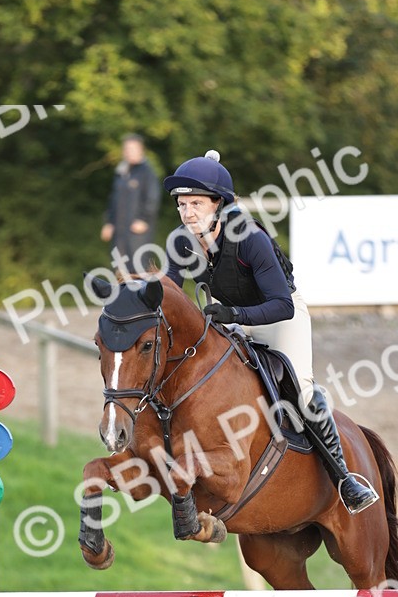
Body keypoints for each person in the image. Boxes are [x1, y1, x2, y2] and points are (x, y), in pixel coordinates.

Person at [162, 150, 379, 514]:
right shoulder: (181, 241)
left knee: (304, 393)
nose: (187, 213)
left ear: (219, 204)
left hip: (280, 319)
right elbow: (168, 294)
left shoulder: (250, 239)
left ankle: (344, 479)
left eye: (196, 203)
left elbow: (283, 304)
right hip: (230, 318)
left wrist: (232, 314)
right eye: (182, 205)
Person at [100, 134, 161, 273]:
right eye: (126, 149)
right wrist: (109, 222)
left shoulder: (147, 172)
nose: (129, 152)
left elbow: (153, 198)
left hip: (137, 232)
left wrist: (143, 219)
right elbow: (113, 200)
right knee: (118, 268)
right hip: (119, 232)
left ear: (141, 150)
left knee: (138, 268)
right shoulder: (121, 172)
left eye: (133, 148)